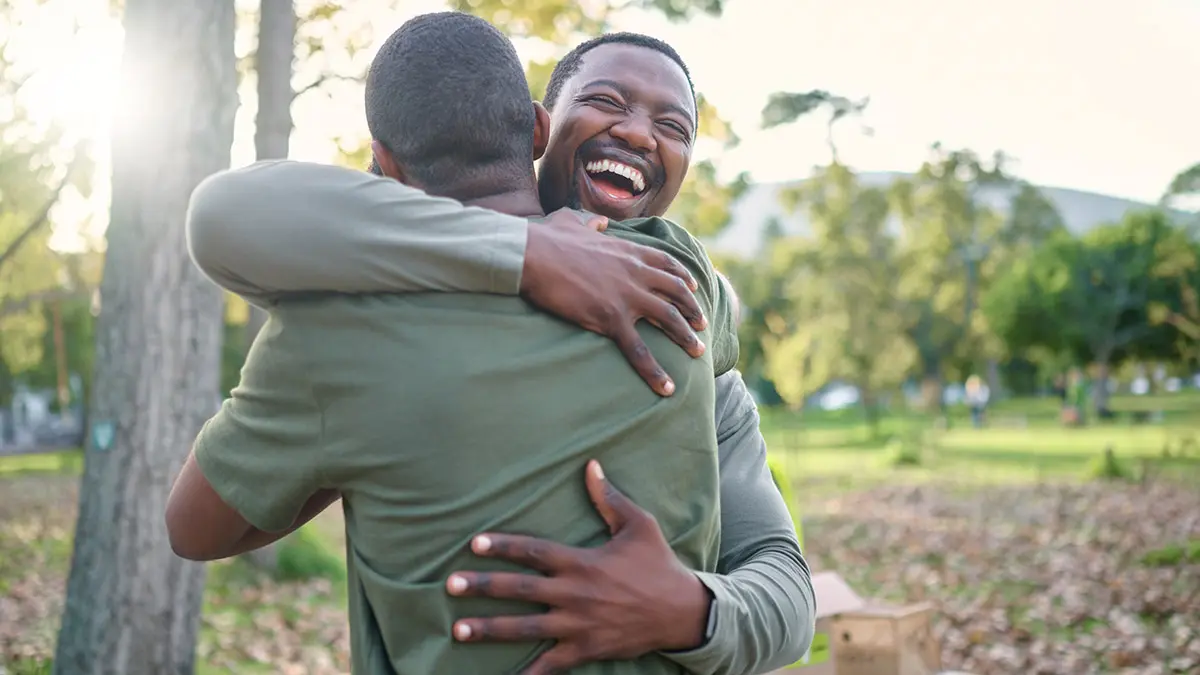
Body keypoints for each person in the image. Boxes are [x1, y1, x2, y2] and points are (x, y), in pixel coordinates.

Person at [185, 27, 814, 675]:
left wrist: (688, 609)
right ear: (542, 128)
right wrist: (524, 252)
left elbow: (790, 597)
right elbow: (228, 213)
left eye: (674, 127)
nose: (637, 133)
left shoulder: (688, 317)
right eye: (607, 100)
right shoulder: (384, 289)